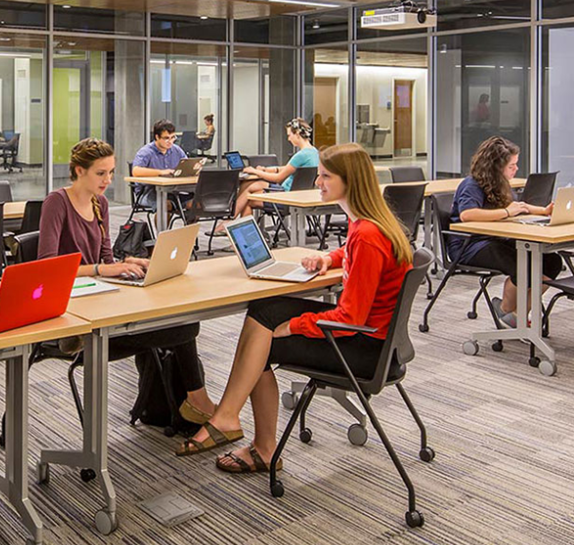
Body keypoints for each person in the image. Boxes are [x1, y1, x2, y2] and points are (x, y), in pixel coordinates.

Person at [175, 143, 412, 473]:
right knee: (266, 308)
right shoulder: (370, 225)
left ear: (350, 181)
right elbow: (352, 254)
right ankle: (228, 419)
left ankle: (260, 445)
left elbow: (349, 318)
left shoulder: (368, 235)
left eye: (325, 176)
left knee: (264, 339)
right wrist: (328, 257)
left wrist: (297, 325)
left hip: (364, 348)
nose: (317, 183)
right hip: (379, 341)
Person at [38, 137, 216, 424]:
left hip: (103, 303)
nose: (108, 180)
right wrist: (101, 270)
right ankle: (197, 401)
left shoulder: (101, 204)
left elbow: (106, 260)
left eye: (110, 172)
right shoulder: (56, 203)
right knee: (183, 326)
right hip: (72, 319)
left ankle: (194, 402)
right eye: (100, 173)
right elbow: (48, 268)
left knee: (181, 318)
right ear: (78, 171)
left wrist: (126, 264)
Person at [449, 136, 562, 327]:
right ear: (495, 167)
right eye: (512, 166)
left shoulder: (499, 184)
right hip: (469, 244)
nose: (516, 169)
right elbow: (467, 214)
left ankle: (514, 315)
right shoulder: (472, 185)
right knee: (524, 265)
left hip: (493, 238)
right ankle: (507, 314)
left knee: (552, 261)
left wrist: (543, 211)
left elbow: (518, 206)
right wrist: (507, 212)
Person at [214, 118, 318, 234]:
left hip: (286, 197)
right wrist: (267, 169)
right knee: (248, 185)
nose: (288, 139)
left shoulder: (300, 155)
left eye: (289, 135)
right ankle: (231, 221)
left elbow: (278, 178)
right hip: (297, 195)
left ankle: (233, 225)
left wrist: (255, 171)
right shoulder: (313, 152)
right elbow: (287, 168)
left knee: (248, 197)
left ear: (297, 134)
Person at [131, 119, 193, 211]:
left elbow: (187, 166)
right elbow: (136, 171)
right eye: (166, 138)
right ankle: (163, 225)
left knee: (195, 204)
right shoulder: (146, 152)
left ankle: (190, 226)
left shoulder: (177, 150)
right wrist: (161, 172)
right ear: (157, 137)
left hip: (173, 191)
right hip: (148, 192)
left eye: (173, 137)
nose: (170, 141)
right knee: (164, 205)